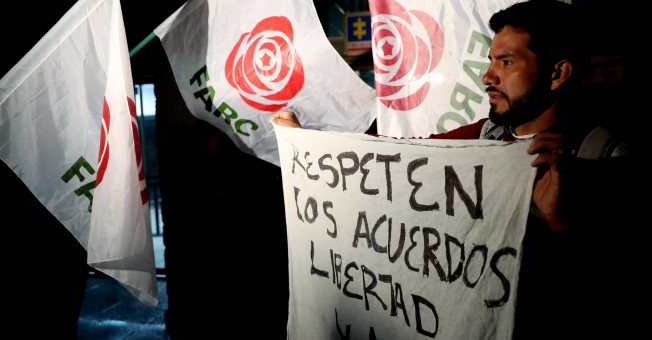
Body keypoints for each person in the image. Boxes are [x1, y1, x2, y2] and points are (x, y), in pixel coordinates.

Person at [272, 0, 639, 338]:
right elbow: (393, 160)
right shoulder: (478, 139)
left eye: (506, 62)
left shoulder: (606, 157)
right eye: (491, 61)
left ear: (557, 73)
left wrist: (563, 225)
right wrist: (305, 143)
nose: (488, 77)